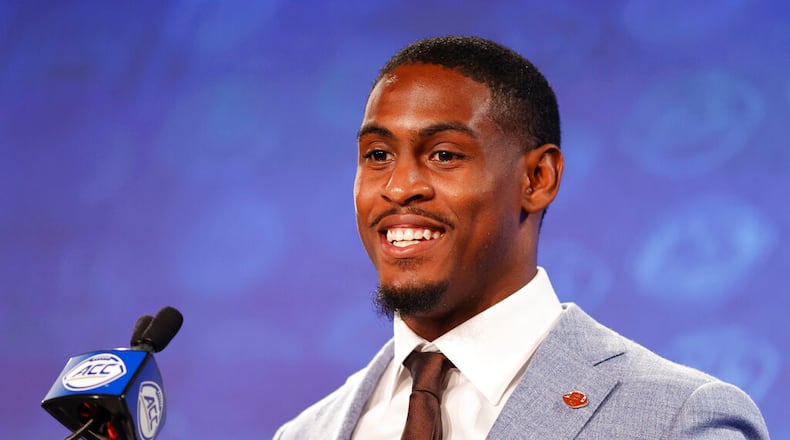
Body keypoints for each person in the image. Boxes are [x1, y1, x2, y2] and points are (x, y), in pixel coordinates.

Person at [274, 36, 769, 439]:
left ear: (537, 179)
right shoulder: (305, 432)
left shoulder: (680, 420)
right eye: (377, 155)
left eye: (444, 155)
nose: (399, 186)